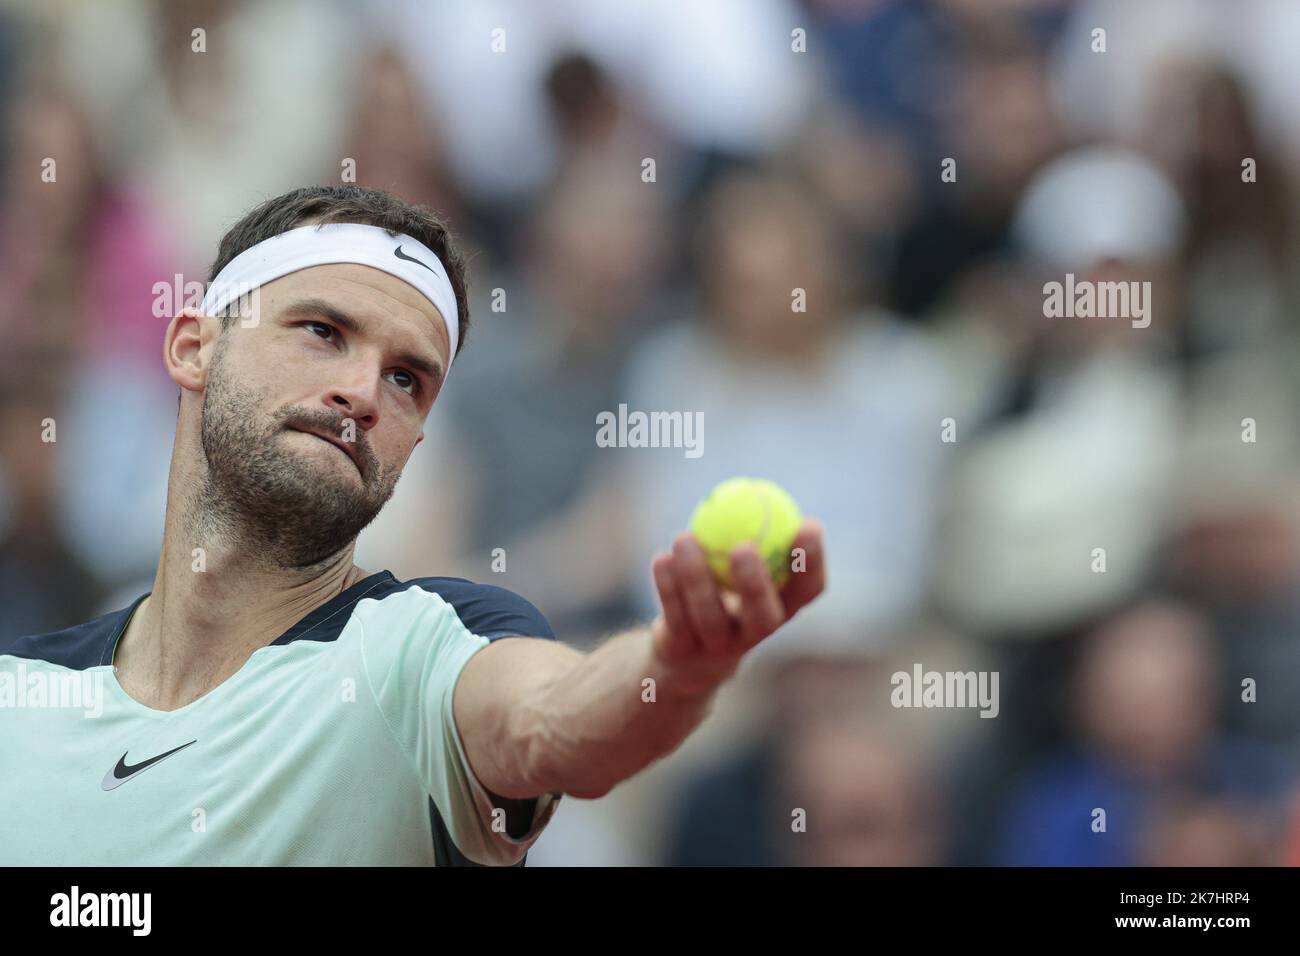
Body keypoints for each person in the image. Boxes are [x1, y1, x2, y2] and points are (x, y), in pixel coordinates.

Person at [0, 185, 826, 866]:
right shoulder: (15, 695)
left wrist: (672, 668)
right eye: (323, 332)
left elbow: (555, 722)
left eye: (406, 379)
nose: (364, 392)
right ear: (192, 349)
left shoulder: (427, 646)